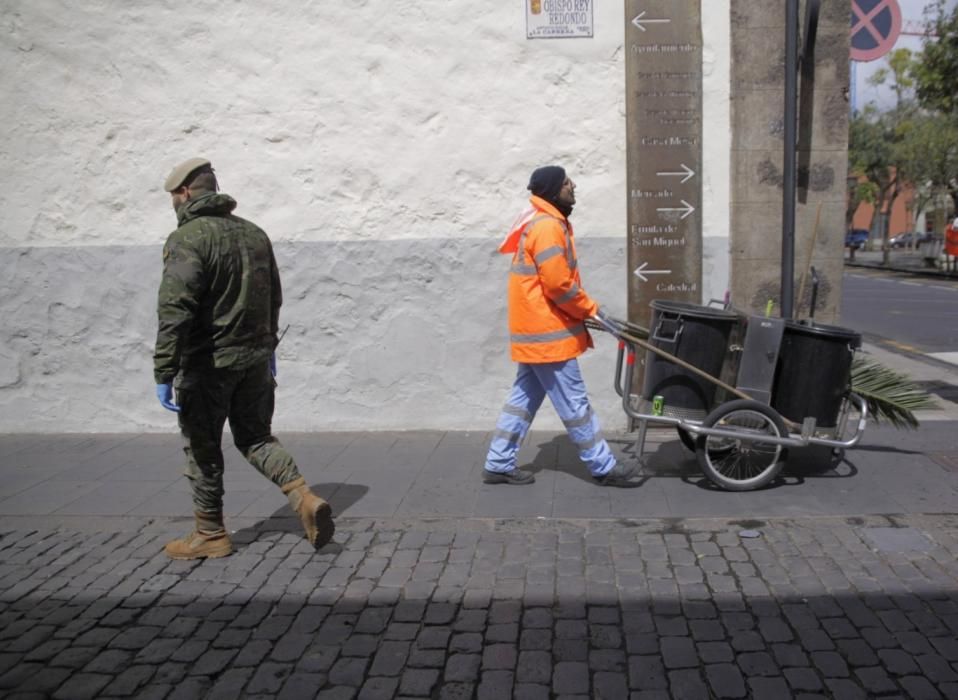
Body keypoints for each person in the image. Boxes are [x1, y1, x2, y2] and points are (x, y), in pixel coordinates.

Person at [153, 157, 334, 559]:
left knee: (202, 448)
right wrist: (268, 350)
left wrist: (164, 369)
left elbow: (175, 310)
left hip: (208, 365)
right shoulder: (255, 234)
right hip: (254, 359)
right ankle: (303, 497)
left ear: (185, 193)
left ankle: (210, 534)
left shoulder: (187, 239)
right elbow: (274, 297)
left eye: (173, 196)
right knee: (255, 437)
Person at [483, 165, 640, 487]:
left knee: (522, 398)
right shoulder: (548, 226)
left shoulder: (543, 223)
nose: (574, 186)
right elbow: (558, 285)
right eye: (568, 183)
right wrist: (590, 309)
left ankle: (498, 462)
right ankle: (603, 466)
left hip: (536, 331)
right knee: (575, 402)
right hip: (548, 334)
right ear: (555, 190)